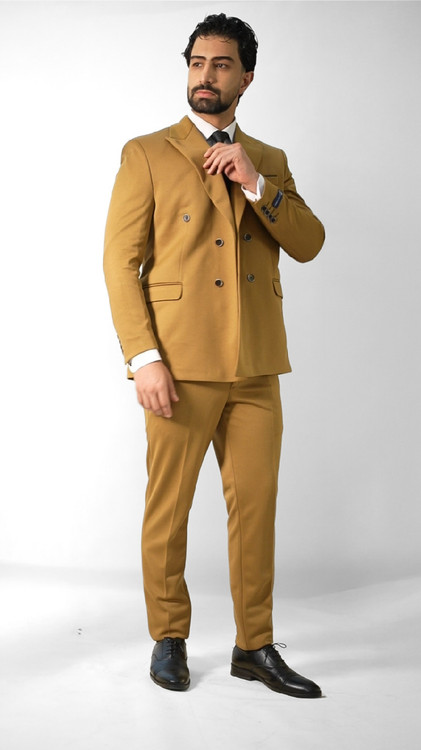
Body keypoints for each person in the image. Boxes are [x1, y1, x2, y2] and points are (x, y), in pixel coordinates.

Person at [104, 13, 325, 697]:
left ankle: (253, 645)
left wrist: (256, 182)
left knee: (256, 509)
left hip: (255, 363)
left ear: (246, 78)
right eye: (197, 62)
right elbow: (120, 264)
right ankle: (168, 637)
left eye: (221, 64)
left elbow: (309, 242)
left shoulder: (269, 159)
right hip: (178, 363)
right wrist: (144, 357)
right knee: (168, 509)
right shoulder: (147, 153)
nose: (206, 75)